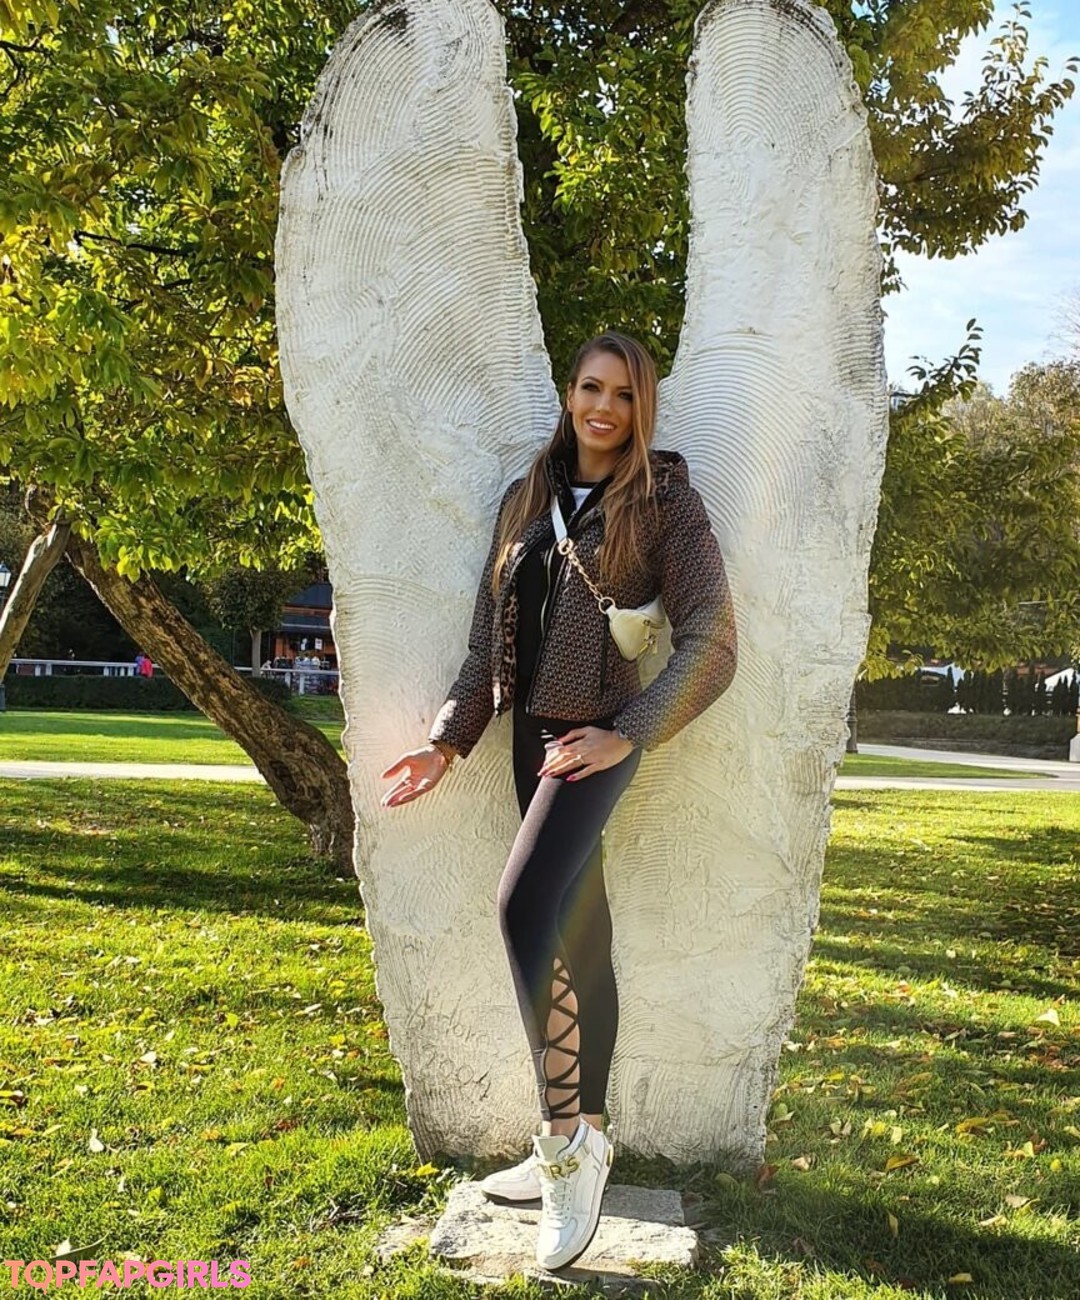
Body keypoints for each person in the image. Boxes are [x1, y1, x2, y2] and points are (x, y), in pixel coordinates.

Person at [380, 331, 737, 1271]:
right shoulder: (526, 497)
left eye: (623, 393)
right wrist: (445, 742)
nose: (603, 408)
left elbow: (714, 639)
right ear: (568, 393)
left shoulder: (664, 502)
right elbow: (483, 650)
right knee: (580, 933)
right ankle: (593, 1133)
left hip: (594, 743)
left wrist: (631, 731)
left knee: (523, 907)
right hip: (529, 737)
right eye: (590, 387)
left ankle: (565, 1144)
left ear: (642, 406)